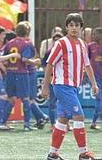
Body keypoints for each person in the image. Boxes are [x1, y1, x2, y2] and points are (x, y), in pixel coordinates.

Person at [42, 13, 99, 160]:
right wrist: (45, 86)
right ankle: (84, 153)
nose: (74, 28)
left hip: (73, 87)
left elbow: (87, 65)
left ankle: (52, 154)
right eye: (71, 25)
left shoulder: (82, 44)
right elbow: (49, 64)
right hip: (62, 85)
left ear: (81, 27)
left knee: (63, 119)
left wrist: (93, 83)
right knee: (79, 116)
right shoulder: (61, 43)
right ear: (66, 27)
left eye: (77, 25)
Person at [88, 27, 102, 129]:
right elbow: (86, 61)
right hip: (95, 78)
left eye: (95, 34)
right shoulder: (90, 46)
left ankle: (93, 123)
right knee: (99, 100)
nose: (93, 36)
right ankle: (93, 122)